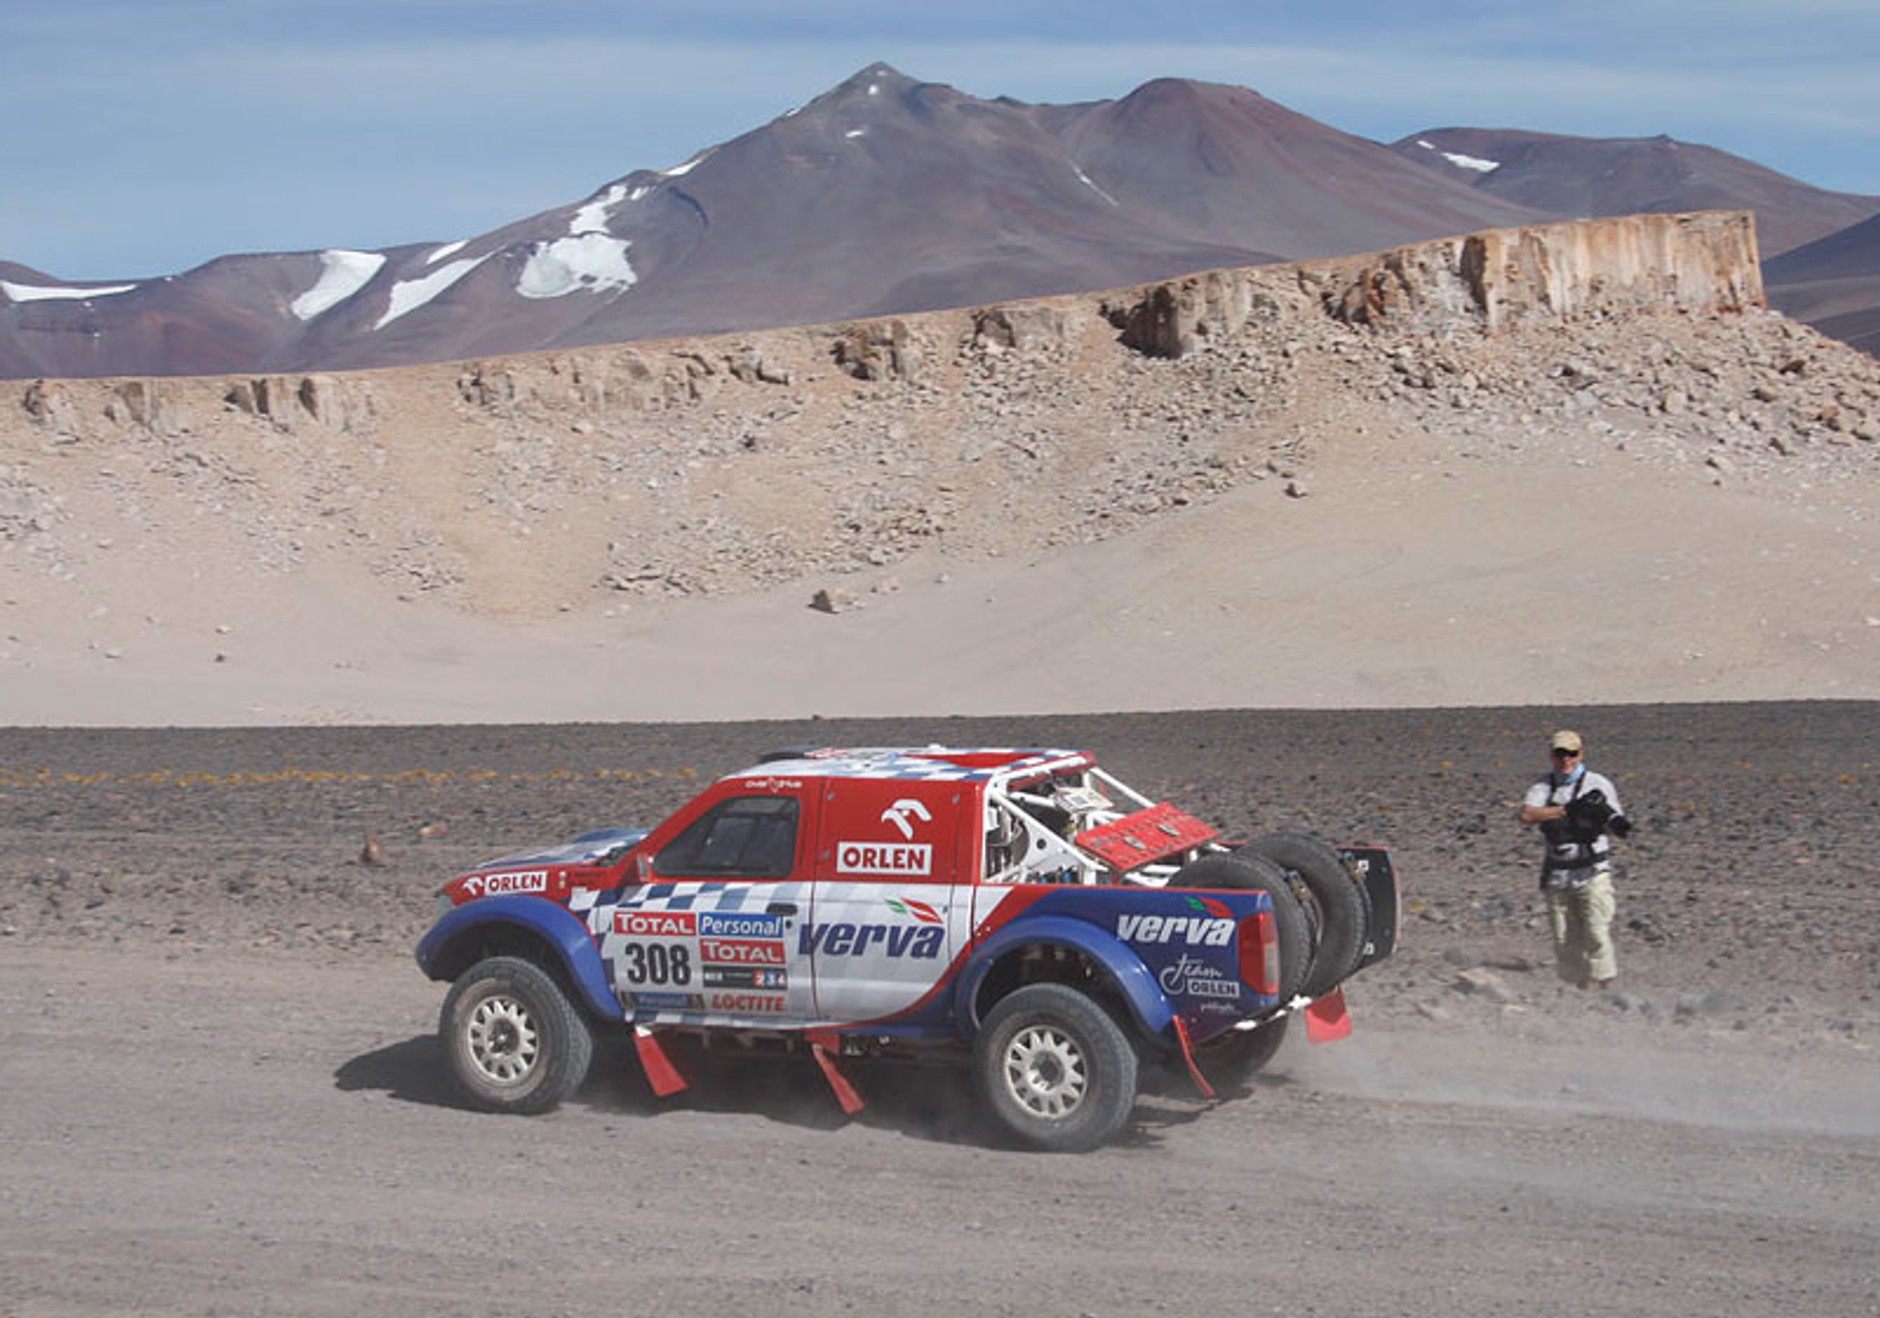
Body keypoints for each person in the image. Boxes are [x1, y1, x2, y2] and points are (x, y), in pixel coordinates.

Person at [1519, 730, 1631, 990]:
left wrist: (1597, 819)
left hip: (1592, 870)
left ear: (1581, 754)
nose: (1566, 759)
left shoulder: (1598, 784)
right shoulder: (1544, 786)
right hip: (1558, 873)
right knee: (1564, 937)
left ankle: (1604, 983)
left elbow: (1617, 826)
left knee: (1596, 931)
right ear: (1552, 755)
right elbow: (1527, 814)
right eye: (1560, 754)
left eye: (1572, 753)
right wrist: (1568, 810)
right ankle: (1575, 987)